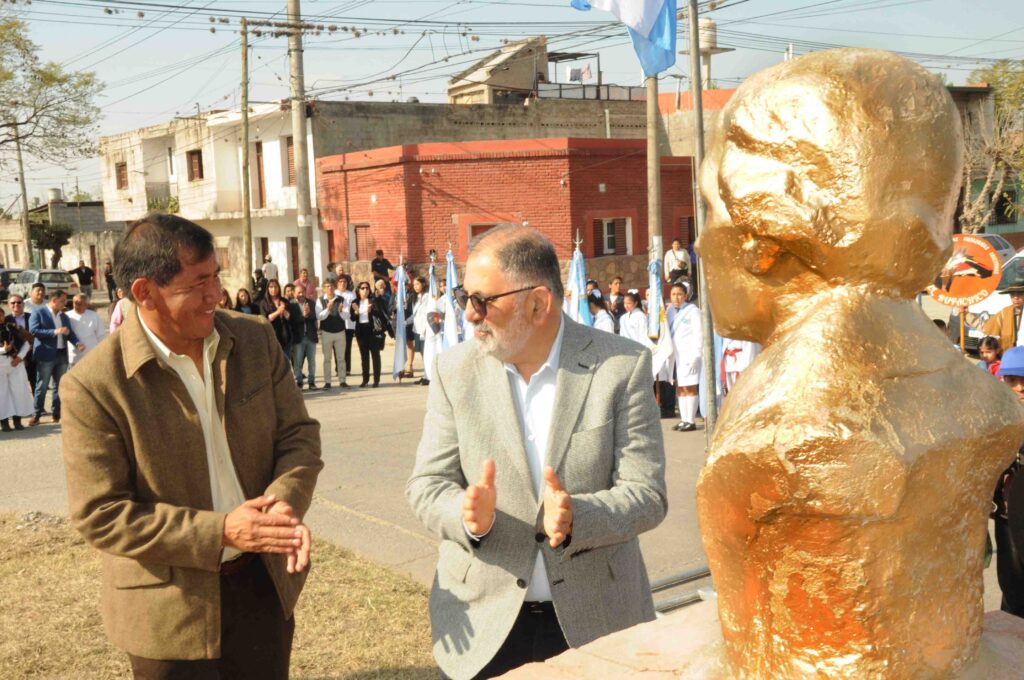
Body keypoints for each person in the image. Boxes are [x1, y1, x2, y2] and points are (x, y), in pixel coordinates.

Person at [61, 213, 322, 677]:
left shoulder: (254, 339)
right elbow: (101, 513)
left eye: (216, 276)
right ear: (145, 292)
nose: (216, 294)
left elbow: (298, 435)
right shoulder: (94, 386)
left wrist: (281, 504)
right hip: (167, 612)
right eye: (198, 283)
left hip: (261, 585)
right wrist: (221, 532)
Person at [406, 226, 667, 680]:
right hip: (484, 625)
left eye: (482, 300)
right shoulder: (454, 370)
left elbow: (647, 495)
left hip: (597, 623)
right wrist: (466, 517)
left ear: (538, 303)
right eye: (464, 297)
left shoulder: (621, 366)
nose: (469, 314)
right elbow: (427, 485)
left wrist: (578, 517)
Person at [28, 290, 84, 426]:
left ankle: (56, 414)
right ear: (53, 300)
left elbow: (69, 333)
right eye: (62, 301)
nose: (65, 303)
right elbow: (34, 331)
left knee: (59, 386)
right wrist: (55, 332)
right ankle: (37, 414)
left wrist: (77, 343)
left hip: (61, 354)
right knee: (42, 386)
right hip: (45, 355)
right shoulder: (38, 313)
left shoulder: (63, 316)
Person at [667, 281, 702, 432]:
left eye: (680, 294)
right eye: (673, 294)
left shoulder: (693, 311)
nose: (676, 297)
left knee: (690, 386)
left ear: (685, 295)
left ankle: (691, 420)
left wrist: (697, 354)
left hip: (689, 354)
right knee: (680, 387)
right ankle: (684, 419)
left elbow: (699, 334)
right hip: (676, 356)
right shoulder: (669, 311)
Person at [0, 307, 33, 431]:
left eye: (1, 315)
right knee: (2, 394)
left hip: (16, 364)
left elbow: (26, 344)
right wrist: (3, 350)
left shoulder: (12, 328)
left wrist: (19, 358)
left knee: (18, 392)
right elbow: (4, 349)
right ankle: (4, 423)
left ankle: (17, 421)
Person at [351, 281, 389, 387]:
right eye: (362, 288)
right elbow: (352, 318)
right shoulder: (355, 302)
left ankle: (376, 380)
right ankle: (365, 379)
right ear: (358, 290)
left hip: (372, 331)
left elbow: (380, 314)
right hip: (361, 331)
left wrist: (370, 311)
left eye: (367, 288)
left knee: (375, 355)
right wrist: (356, 312)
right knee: (364, 357)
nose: (365, 290)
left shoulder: (373, 300)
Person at [316, 280, 348, 390]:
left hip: (340, 332)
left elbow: (347, 316)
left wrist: (341, 311)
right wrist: (328, 310)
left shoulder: (341, 299)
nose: (329, 288)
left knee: (341, 358)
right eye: (327, 286)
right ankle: (327, 382)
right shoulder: (320, 300)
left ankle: (342, 380)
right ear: (324, 289)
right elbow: (319, 316)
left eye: (331, 286)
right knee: (327, 359)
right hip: (326, 332)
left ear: (334, 287)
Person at [66, 294, 108, 365]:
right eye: (75, 303)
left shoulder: (94, 315)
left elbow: (101, 335)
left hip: (91, 354)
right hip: (73, 355)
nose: (77, 306)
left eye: (80, 304)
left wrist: (101, 351)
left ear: (86, 305)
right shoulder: (67, 316)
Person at [983, 279, 1024, 351]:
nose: (1016, 297)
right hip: (1009, 354)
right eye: (1012, 294)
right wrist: (967, 315)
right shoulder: (1004, 313)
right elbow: (986, 327)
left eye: (1020, 294)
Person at [291, 289, 318, 391]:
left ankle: (311, 382)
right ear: (294, 293)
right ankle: (299, 382)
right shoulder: (292, 305)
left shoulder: (311, 303)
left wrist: (308, 314)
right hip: (298, 337)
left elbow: (315, 317)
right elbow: (292, 320)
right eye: (298, 292)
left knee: (312, 361)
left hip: (310, 336)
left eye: (302, 292)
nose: (301, 294)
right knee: (297, 361)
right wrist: (304, 315)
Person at [7, 294, 35, 390]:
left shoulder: (32, 317)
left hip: (32, 356)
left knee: (35, 384)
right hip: (14, 358)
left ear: (23, 304)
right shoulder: (5, 320)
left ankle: (36, 401)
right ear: (8, 305)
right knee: (16, 387)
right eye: (13, 303)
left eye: (19, 302)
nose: (16, 304)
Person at [260, 279, 292, 360]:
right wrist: (278, 311)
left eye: (275, 287)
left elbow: (289, 317)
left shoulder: (284, 301)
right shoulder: (264, 303)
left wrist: (283, 310)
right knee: (274, 362)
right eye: (271, 287)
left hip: (285, 336)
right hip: (272, 336)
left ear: (279, 288)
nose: (273, 289)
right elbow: (266, 319)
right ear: (267, 289)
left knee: (286, 362)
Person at [336, 276, 357, 377]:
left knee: (347, 347)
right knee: (337, 348)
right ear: (337, 283)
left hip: (348, 324)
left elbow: (354, 309)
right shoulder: (334, 293)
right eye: (340, 282)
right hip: (336, 324)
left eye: (344, 282)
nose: (342, 284)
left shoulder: (351, 295)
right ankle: (338, 369)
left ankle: (347, 369)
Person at [411, 276, 430, 385]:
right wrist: (406, 321)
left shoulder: (427, 296)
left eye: (417, 284)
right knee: (422, 353)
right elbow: (415, 314)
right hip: (417, 329)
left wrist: (425, 328)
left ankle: (429, 375)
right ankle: (425, 374)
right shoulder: (417, 297)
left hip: (425, 329)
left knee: (427, 352)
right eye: (414, 285)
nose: (416, 287)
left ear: (423, 284)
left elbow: (427, 313)